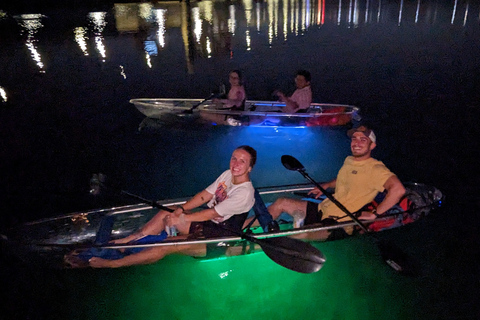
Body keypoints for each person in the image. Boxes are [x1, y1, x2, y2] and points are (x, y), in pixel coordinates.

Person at [79, 145, 257, 268]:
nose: (236, 164)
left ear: (250, 168)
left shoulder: (245, 192)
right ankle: (129, 241)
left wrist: (182, 218)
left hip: (220, 239)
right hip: (208, 226)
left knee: (167, 244)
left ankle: (113, 263)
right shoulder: (227, 174)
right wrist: (180, 209)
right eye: (234, 158)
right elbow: (204, 196)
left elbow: (211, 213)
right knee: (168, 209)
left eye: (242, 161)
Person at [262, 126, 406, 228]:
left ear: (372, 146)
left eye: (363, 140)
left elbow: (398, 190)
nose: (356, 143)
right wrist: (327, 185)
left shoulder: (376, 169)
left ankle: (250, 247)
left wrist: (375, 214)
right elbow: (344, 179)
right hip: (323, 208)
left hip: (338, 221)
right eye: (354, 139)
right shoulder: (349, 160)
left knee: (297, 236)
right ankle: (240, 229)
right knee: (281, 202)